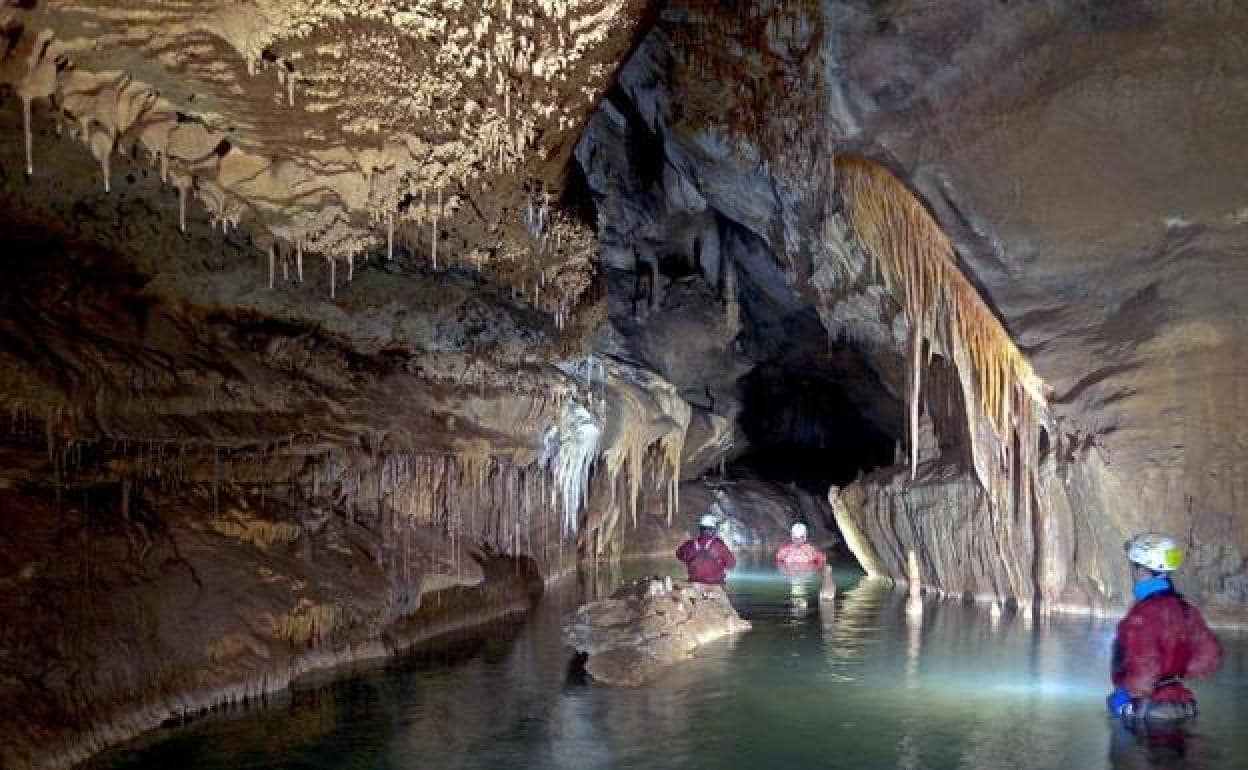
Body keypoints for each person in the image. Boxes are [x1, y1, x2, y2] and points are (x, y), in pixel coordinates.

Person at [1106, 533, 1223, 727]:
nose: (1131, 573)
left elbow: (1144, 674)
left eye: (1133, 567)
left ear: (1141, 570)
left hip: (1150, 712)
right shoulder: (1186, 610)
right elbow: (1210, 659)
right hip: (1184, 707)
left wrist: (1122, 698)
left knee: (1126, 753)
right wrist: (1172, 672)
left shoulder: (1143, 615)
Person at [676, 513, 736, 585]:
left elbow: (679, 554)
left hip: (695, 582)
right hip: (716, 583)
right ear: (712, 529)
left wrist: (691, 560)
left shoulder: (689, 545)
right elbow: (731, 564)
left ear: (701, 529)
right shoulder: (719, 545)